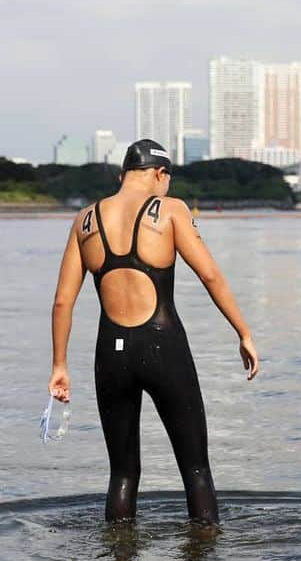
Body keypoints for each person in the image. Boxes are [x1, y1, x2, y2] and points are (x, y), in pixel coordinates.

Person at [49, 139, 258, 525]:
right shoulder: (172, 210)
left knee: (123, 473)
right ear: (160, 174)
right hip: (164, 347)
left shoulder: (85, 220)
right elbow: (210, 274)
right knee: (195, 469)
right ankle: (203, 560)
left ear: (123, 175)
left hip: (110, 358)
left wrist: (59, 365)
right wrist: (243, 332)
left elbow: (63, 302)